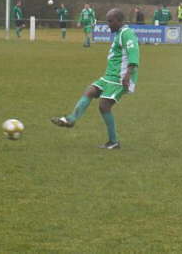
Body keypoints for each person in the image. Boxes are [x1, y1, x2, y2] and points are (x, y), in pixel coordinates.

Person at [51, 9, 139, 150]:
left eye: (111, 21)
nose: (108, 24)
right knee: (90, 90)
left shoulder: (126, 34)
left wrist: (128, 75)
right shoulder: (119, 33)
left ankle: (113, 141)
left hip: (119, 78)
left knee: (104, 106)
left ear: (119, 21)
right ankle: (71, 119)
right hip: (109, 75)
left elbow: (134, 53)